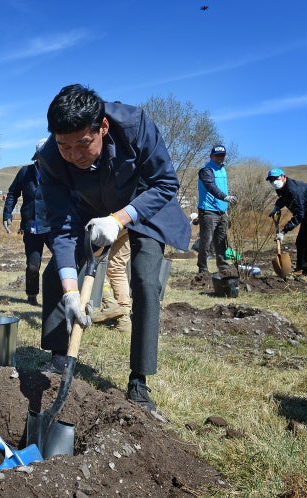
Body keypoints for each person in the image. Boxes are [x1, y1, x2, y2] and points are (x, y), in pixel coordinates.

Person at [35, 84, 190, 412]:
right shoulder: (50, 158)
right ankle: (59, 359)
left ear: (102, 128)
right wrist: (70, 291)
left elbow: (165, 182)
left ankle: (139, 381)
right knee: (56, 273)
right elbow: (61, 227)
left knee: (147, 282)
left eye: (83, 145)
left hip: (144, 204)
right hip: (90, 208)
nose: (74, 156)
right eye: (64, 146)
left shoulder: (134, 125)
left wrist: (120, 219)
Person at [2, 139, 52, 306]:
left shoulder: (58, 173)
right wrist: (7, 213)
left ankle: (63, 294)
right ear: (37, 157)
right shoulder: (25, 173)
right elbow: (12, 193)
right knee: (32, 266)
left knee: (64, 259)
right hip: (32, 227)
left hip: (53, 225)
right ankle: (32, 297)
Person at [266, 168, 307, 278]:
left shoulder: (294, 190)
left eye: (276, 178)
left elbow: (300, 215)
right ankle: (300, 267)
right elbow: (283, 199)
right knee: (300, 241)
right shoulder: (281, 188)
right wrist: (276, 207)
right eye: (271, 180)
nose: (274, 182)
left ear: (283, 177)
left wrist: (283, 231)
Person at [196, 145, 237, 276]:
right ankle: (203, 269)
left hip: (222, 210)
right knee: (206, 241)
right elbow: (211, 187)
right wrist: (225, 197)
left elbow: (222, 187)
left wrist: (225, 207)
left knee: (222, 240)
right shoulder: (206, 170)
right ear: (211, 156)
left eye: (222, 155)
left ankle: (223, 267)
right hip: (208, 210)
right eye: (217, 155)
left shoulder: (222, 170)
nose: (220, 158)